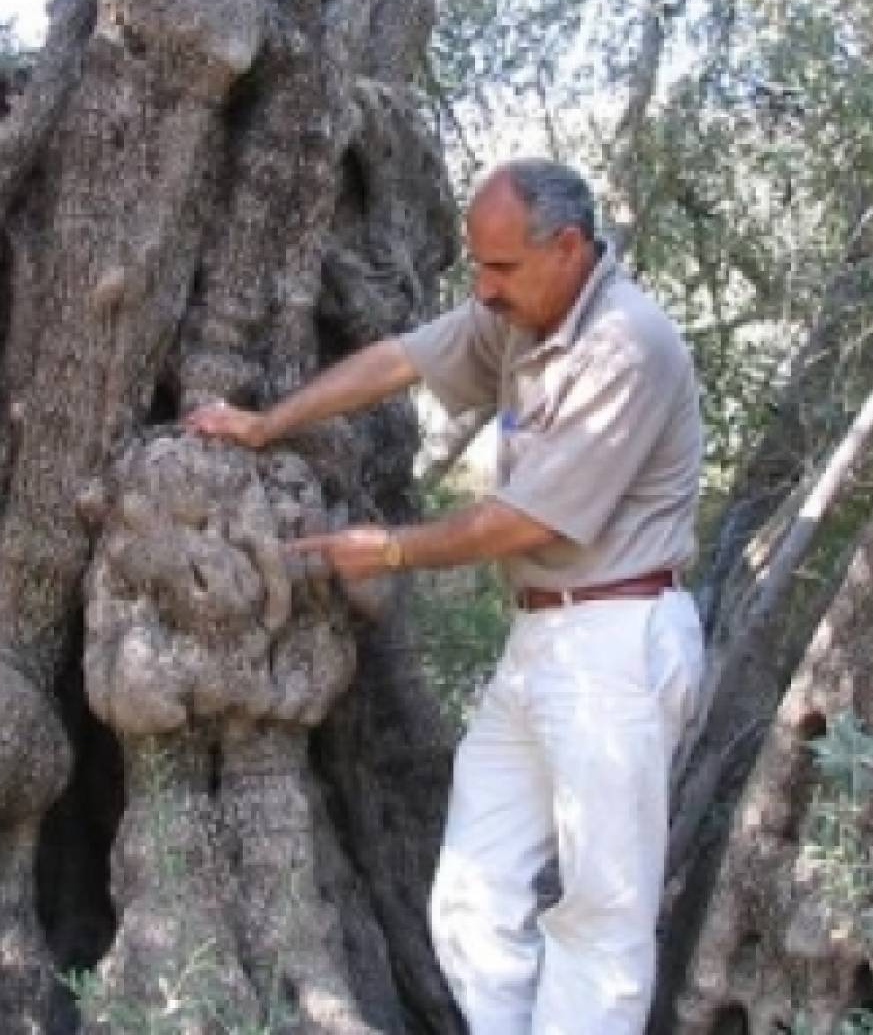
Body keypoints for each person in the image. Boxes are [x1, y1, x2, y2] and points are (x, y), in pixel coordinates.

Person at [185, 158, 705, 1034]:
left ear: (568, 247)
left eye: (500, 267)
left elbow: (525, 521)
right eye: (477, 265)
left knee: (601, 918)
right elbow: (402, 359)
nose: (483, 288)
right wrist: (270, 423)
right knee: (471, 893)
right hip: (542, 639)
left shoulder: (626, 345)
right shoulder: (523, 317)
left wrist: (388, 548)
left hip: (619, 638)